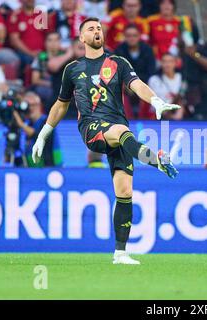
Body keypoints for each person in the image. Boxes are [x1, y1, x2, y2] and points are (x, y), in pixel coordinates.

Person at [31, 17, 180, 265]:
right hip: (92, 128)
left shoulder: (118, 63)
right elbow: (60, 105)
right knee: (122, 131)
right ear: (81, 38)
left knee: (124, 192)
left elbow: (137, 84)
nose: (96, 31)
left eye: (99, 28)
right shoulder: (72, 69)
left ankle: (120, 253)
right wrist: (43, 134)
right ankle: (157, 161)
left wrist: (155, 101)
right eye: (90, 29)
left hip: (120, 133)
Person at [115, 23, 156, 118]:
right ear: (124, 36)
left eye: (134, 35)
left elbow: (151, 72)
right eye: (128, 36)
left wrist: (137, 86)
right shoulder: (119, 50)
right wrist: (128, 85)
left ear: (139, 36)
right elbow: (116, 72)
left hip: (144, 85)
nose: (132, 38)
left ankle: (147, 119)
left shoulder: (147, 50)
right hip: (125, 87)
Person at [13, 91, 62, 167]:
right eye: (27, 106)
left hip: (51, 169)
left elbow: (38, 136)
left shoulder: (48, 121)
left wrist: (20, 124)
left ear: (39, 106)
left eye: (32, 105)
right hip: (32, 170)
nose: (30, 108)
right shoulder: (28, 125)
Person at [31, 31, 63, 110]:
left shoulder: (64, 56)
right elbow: (35, 80)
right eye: (50, 40)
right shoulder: (41, 57)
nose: (53, 43)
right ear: (45, 42)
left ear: (60, 42)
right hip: (47, 87)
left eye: (56, 40)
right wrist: (52, 84)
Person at [148, 52, 184, 120]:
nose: (167, 64)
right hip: (159, 117)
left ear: (175, 63)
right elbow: (153, 102)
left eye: (170, 61)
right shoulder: (154, 80)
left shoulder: (181, 78)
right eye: (164, 61)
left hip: (180, 116)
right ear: (161, 63)